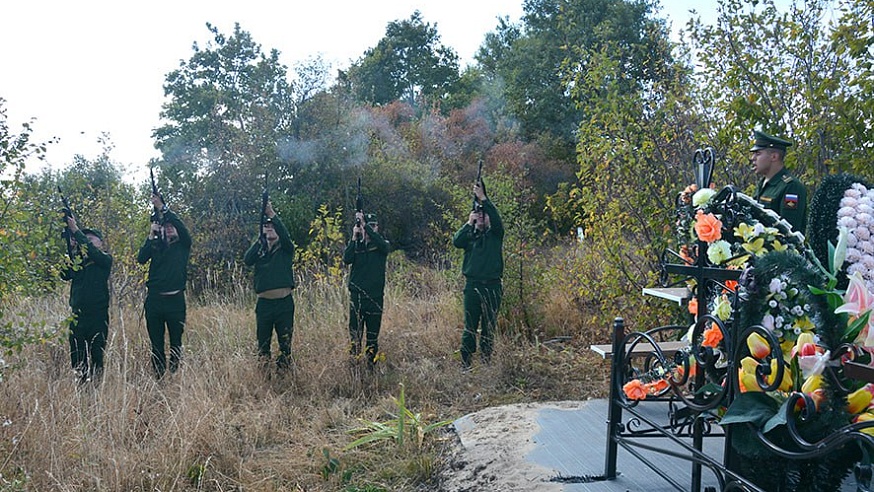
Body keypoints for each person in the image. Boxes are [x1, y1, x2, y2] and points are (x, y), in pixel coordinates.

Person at [137, 194, 192, 378]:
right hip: (154, 301)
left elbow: (183, 231)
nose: (169, 229)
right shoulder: (156, 245)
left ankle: (175, 376)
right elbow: (141, 258)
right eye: (165, 227)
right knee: (156, 344)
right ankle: (159, 378)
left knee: (176, 342)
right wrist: (151, 235)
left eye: (171, 227)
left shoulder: (183, 245)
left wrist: (164, 209)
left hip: (175, 301)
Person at [452, 180, 504, 370]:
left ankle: (486, 361)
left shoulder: (495, 235)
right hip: (472, 286)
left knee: (489, 327)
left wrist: (484, 199)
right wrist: (468, 223)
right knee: (469, 328)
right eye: (479, 215)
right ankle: (466, 363)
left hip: (492, 286)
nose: (482, 218)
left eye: (484, 216)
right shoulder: (469, 236)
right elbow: (456, 242)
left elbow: (498, 222)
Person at [243, 201, 295, 369]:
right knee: (263, 345)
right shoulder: (259, 250)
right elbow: (247, 260)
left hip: (284, 304)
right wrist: (261, 240)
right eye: (266, 225)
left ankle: (284, 375)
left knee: (285, 344)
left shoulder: (286, 249)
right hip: (264, 305)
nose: (269, 227)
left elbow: (286, 237)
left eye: (272, 225)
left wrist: (272, 214)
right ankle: (264, 377)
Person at [60, 216, 112, 384]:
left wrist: (76, 230)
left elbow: (92, 252)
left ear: (100, 242)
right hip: (77, 317)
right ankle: (81, 390)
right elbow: (64, 274)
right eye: (85, 238)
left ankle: (97, 390)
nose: (86, 241)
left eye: (90, 239)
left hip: (98, 316)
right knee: (77, 357)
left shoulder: (104, 260)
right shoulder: (77, 261)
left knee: (97, 356)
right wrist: (71, 249)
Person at [342, 211, 390, 366]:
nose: (369, 229)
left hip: (374, 298)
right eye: (367, 226)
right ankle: (354, 368)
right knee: (355, 336)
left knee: (372, 337)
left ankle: (371, 367)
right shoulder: (357, 246)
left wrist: (365, 226)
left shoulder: (381, 246)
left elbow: (383, 245)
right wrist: (354, 237)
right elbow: (346, 259)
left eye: (372, 226)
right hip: (357, 299)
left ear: (377, 227)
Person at [750, 130, 808, 233]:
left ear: (774, 157)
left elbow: (789, 231)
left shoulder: (791, 187)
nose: (752, 158)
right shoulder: (763, 184)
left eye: (758, 153)